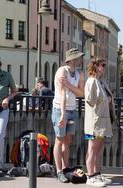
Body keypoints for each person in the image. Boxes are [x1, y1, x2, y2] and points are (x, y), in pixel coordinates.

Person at [51, 48, 85, 183]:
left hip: (73, 110)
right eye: (79, 57)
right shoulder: (62, 71)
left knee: (68, 140)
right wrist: (63, 115)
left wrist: (69, 84)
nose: (81, 59)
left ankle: (66, 169)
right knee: (59, 140)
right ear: (72, 59)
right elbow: (63, 94)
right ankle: (59, 171)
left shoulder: (79, 73)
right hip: (60, 109)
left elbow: (81, 93)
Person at [84, 58, 114, 187]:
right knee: (92, 149)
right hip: (95, 122)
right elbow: (90, 100)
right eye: (103, 65)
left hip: (103, 121)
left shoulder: (101, 82)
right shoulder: (91, 82)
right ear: (95, 67)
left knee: (98, 149)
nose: (104, 67)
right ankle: (90, 176)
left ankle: (96, 174)